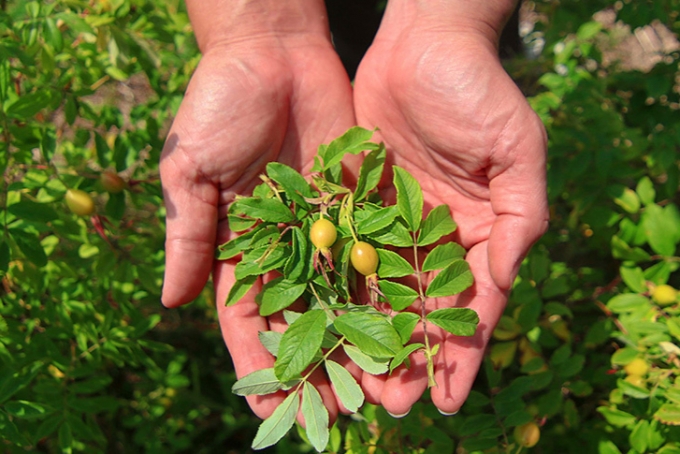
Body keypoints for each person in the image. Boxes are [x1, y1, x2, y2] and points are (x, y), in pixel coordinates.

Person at [159, 0, 549, 423]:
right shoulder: (328, 232)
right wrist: (256, 30)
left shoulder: (343, 229)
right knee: (349, 23)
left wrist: (447, 23)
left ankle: (501, 51)